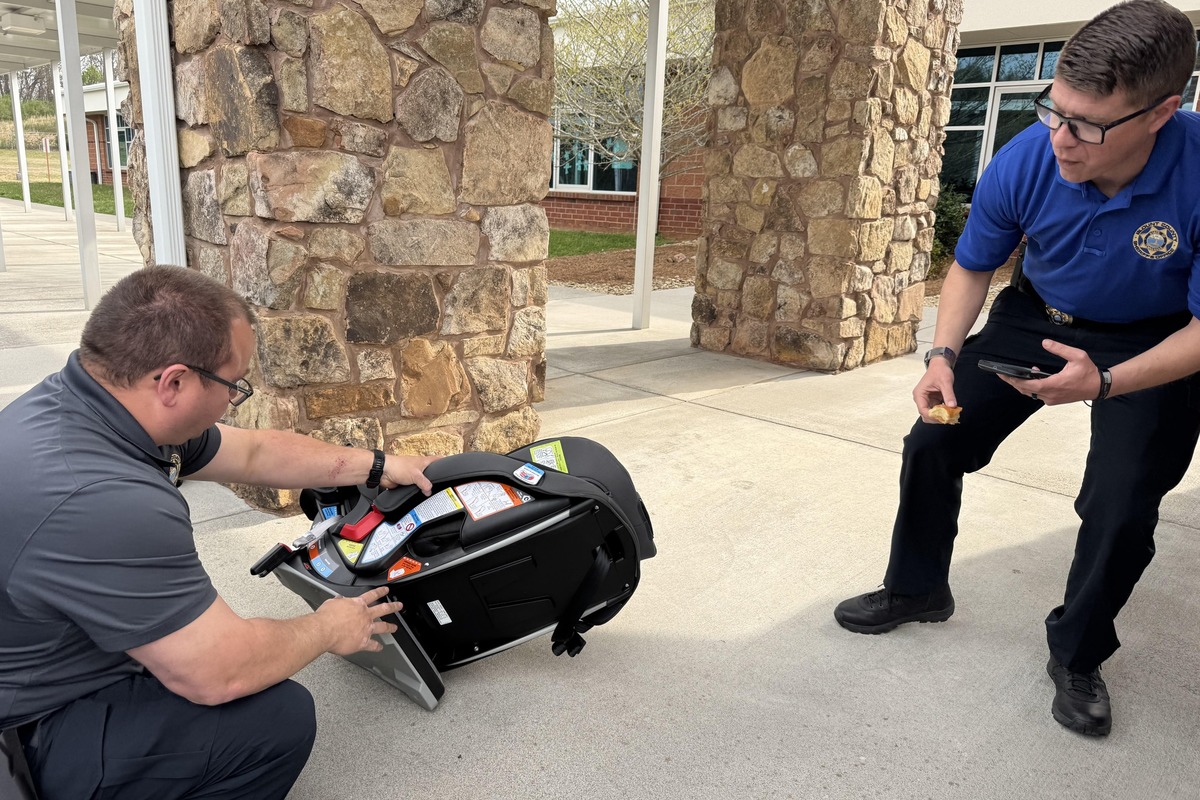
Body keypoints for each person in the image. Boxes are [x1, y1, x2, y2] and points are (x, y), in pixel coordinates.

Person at [834, 0, 1200, 737]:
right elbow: (973, 266)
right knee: (935, 437)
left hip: (1155, 341)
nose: (1060, 138)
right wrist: (942, 356)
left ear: (1163, 112)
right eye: (1053, 111)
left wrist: (1104, 382)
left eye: (1087, 125)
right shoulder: (1029, 155)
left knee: (1122, 504)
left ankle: (1078, 654)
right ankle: (917, 588)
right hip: (1037, 317)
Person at [0, 266, 438, 798]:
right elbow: (218, 672)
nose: (235, 400)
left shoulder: (90, 403)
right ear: (174, 382)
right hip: (25, 731)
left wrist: (377, 465)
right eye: (235, 385)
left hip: (35, 651)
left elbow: (253, 453)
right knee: (273, 722)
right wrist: (327, 627)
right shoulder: (106, 500)